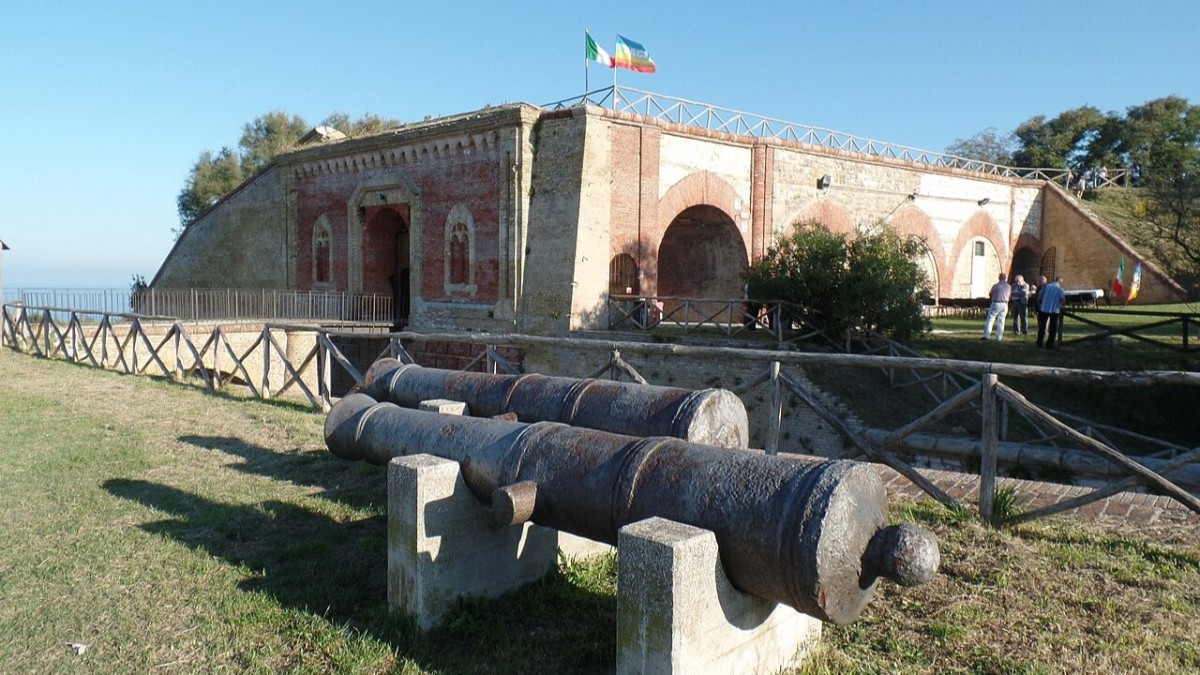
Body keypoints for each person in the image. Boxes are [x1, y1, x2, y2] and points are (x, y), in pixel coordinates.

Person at [1036, 276, 1067, 349]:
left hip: (1044, 309)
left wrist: (1040, 305)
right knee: (1053, 327)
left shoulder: (1046, 286)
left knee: (1042, 326)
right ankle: (1050, 343)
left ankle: (1039, 342)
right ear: (1060, 282)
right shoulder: (1060, 289)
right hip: (1054, 310)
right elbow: (1063, 300)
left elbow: (1039, 297)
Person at [981, 273, 1011, 341]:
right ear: (1005, 278)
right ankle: (999, 337)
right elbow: (1009, 295)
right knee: (1001, 321)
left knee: (990, 319)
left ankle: (986, 335)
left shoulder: (996, 286)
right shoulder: (1008, 286)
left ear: (999, 278)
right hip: (1005, 304)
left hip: (996, 303)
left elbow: (990, 293)